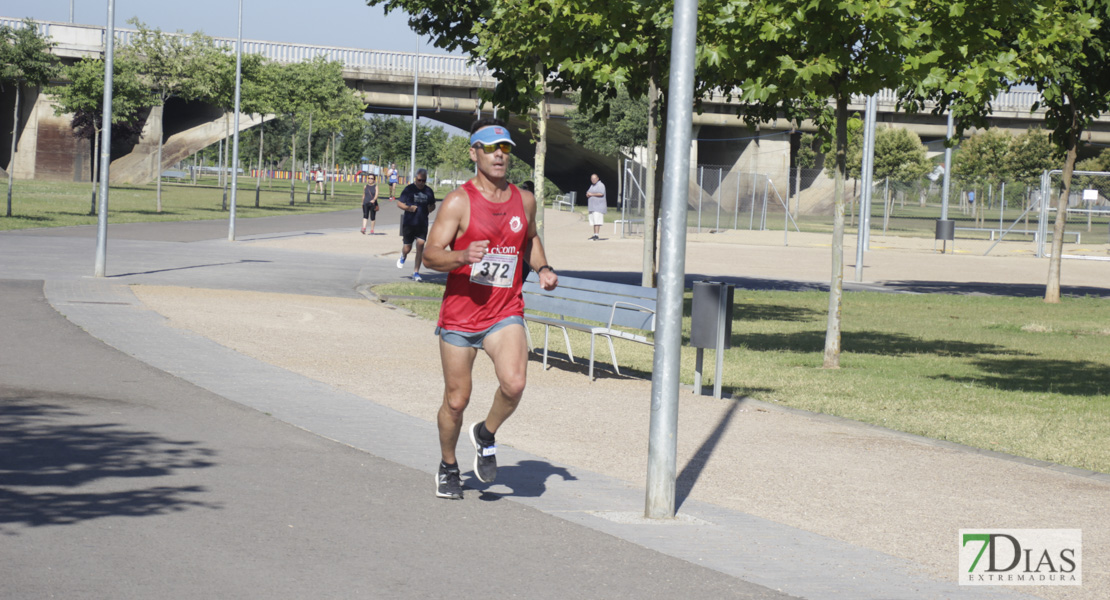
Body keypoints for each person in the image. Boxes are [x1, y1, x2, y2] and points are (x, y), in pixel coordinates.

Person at [422, 118, 558, 500]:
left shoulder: (524, 200)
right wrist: (462, 255)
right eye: (491, 147)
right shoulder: (458, 201)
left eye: (506, 148)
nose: (500, 155)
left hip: (504, 310)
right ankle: (449, 465)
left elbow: (529, 240)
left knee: (514, 383)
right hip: (461, 315)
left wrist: (543, 268)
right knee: (456, 399)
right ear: (474, 152)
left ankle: (486, 433)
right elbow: (430, 255)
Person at [396, 168, 436, 282]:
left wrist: (430, 209)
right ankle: (403, 255)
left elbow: (433, 205)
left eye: (424, 180)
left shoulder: (429, 191)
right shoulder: (409, 189)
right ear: (415, 179)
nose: (421, 183)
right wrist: (408, 208)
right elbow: (399, 203)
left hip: (422, 223)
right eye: (419, 180)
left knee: (420, 246)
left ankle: (416, 272)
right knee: (407, 247)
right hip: (409, 222)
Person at [586, 173, 607, 240]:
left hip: (598, 207)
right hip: (592, 207)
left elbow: (601, 193)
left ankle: (597, 235)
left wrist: (591, 194)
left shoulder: (601, 185)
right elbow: (588, 192)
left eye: (594, 178)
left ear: (598, 178)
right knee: (594, 221)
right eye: (592, 178)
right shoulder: (592, 185)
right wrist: (587, 194)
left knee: (597, 221)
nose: (593, 180)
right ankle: (594, 234)